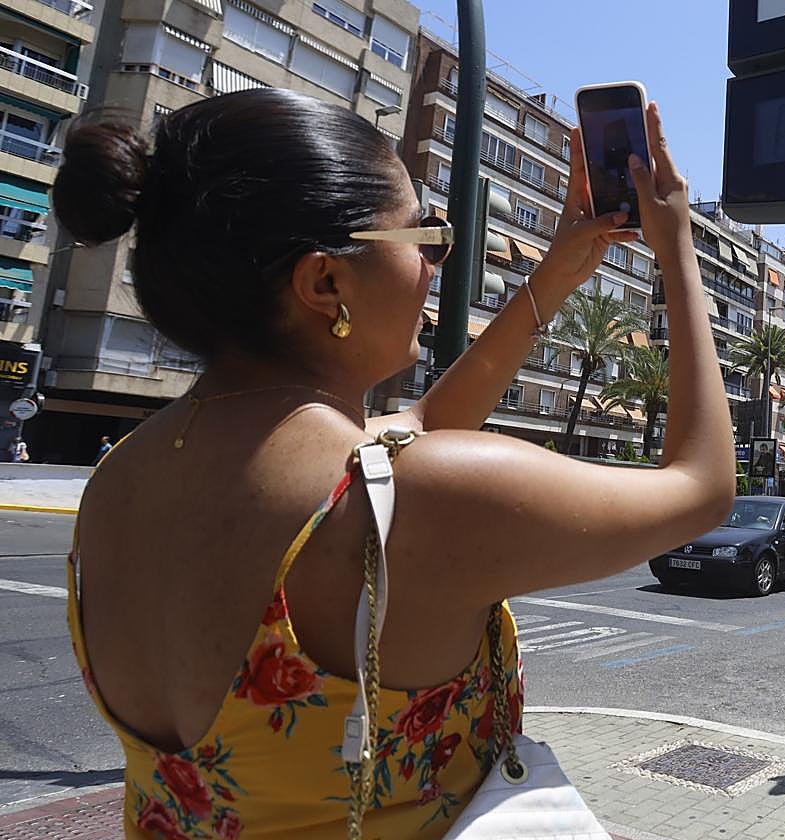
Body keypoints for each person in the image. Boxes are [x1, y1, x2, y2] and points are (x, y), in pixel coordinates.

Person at [54, 89, 732, 839]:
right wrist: (676, 249)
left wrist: (556, 275)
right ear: (325, 283)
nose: (435, 263)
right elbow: (701, 488)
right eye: (423, 237)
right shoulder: (408, 496)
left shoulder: (118, 479)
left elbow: (422, 423)